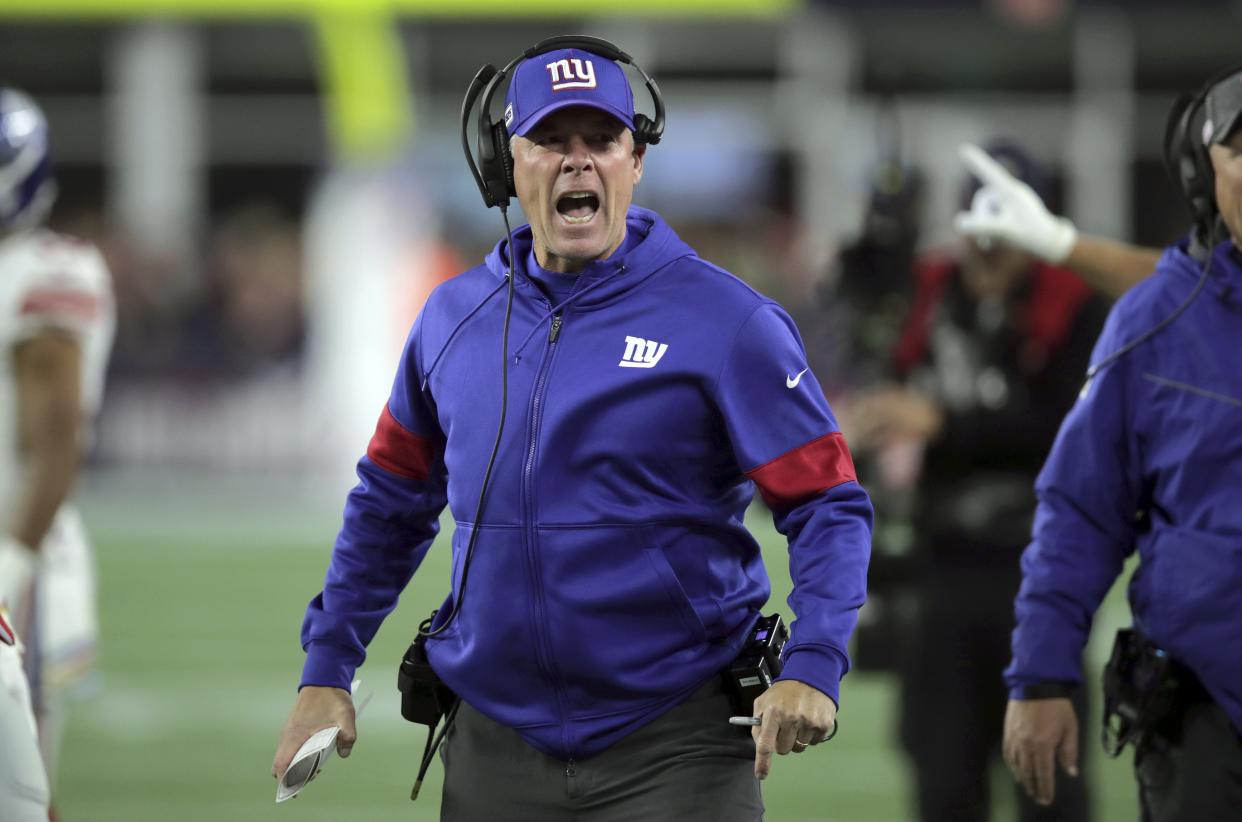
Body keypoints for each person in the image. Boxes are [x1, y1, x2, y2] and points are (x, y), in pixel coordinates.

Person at [272, 37, 872, 820]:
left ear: (636, 162)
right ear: (508, 164)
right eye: (552, 140)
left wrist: (816, 660)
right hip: (493, 744)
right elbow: (389, 503)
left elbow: (828, 503)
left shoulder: (729, 322)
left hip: (676, 743)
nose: (577, 161)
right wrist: (326, 668)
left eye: (602, 140)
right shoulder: (451, 320)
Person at [1001, 68, 1242, 819]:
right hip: (1209, 711)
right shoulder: (1155, 321)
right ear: (1205, 173)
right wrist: (1041, 675)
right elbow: (1081, 511)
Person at [843, 141, 1105, 822]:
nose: (989, 252)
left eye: (1005, 236)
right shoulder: (931, 296)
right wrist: (873, 422)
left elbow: (1067, 433)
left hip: (1040, 575)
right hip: (940, 568)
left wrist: (940, 424)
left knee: (1049, 783)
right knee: (943, 780)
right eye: (980, 234)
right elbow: (887, 378)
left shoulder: (1074, 306)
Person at [0, 87, 116, 820]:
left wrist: (14, 557)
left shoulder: (45, 273)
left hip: (21, 563)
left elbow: (57, 437)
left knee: (19, 799)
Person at [955, 143, 1163, 299]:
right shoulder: (934, 287)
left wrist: (1058, 243)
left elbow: (1171, 286)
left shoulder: (1069, 300)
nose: (994, 246)